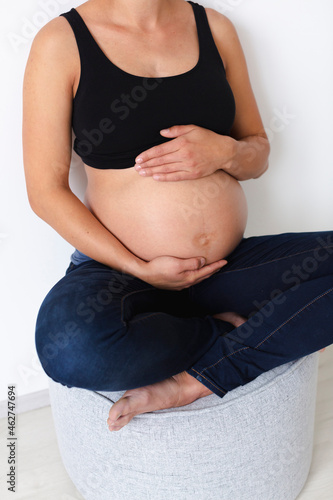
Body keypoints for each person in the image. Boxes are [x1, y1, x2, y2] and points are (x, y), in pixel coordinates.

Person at [23, 0, 333, 433]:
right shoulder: (61, 42)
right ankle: (216, 329)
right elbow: (45, 192)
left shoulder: (215, 28)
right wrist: (140, 268)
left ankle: (200, 378)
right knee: (72, 350)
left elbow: (257, 151)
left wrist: (225, 151)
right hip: (119, 273)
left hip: (224, 269)